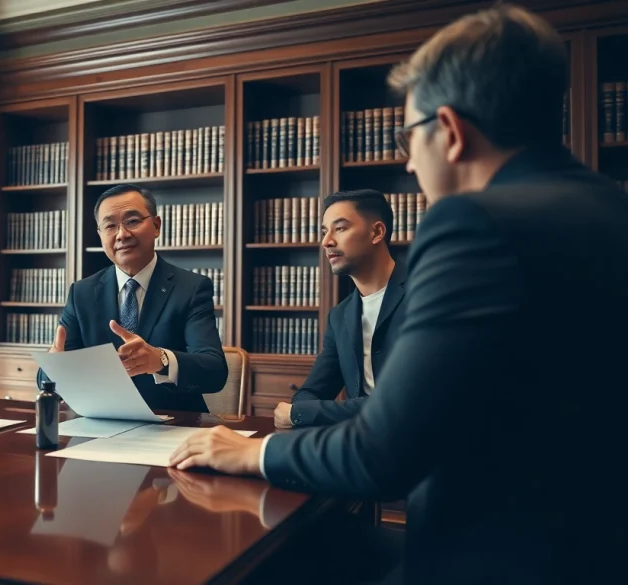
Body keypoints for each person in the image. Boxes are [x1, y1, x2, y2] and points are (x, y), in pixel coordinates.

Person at [170, 5, 628, 583]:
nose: (409, 161)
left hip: (495, 559)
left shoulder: (474, 224)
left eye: (409, 137)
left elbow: (381, 455)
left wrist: (247, 452)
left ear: (452, 131)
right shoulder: (613, 208)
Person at [37, 184, 227, 412]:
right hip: (100, 427)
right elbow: (45, 380)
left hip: (174, 426)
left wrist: (161, 360)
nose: (122, 234)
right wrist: (55, 367)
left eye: (132, 221)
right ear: (100, 235)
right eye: (110, 226)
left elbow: (214, 372)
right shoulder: (82, 293)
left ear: (156, 226)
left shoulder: (192, 288)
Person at [274, 189, 406, 428]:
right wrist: (302, 409)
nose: (326, 241)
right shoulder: (340, 316)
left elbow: (403, 402)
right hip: (361, 445)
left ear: (377, 232)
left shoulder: (424, 294)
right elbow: (310, 392)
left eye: (340, 228)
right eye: (324, 231)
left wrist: (299, 413)